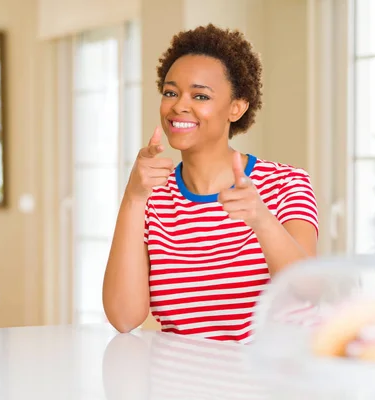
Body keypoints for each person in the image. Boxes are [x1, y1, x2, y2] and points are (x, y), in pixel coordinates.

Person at [102, 24, 319, 344]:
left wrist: (260, 218)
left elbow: (309, 290)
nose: (179, 106)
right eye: (170, 92)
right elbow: (123, 317)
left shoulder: (285, 184)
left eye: (200, 95)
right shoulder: (153, 198)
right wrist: (133, 198)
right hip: (181, 385)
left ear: (237, 107)